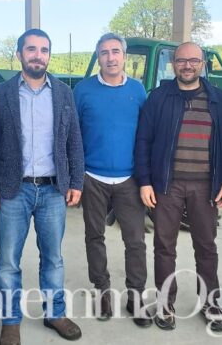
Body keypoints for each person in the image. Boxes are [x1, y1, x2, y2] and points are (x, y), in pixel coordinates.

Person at [0, 29, 84, 345]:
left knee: (53, 257)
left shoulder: (65, 93)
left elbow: (74, 140)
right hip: (14, 189)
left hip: (53, 190)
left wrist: (76, 180)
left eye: (44, 50)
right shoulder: (2, 93)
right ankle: (11, 321)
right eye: (31, 49)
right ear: (20, 54)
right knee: (9, 260)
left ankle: (55, 314)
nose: (38, 55)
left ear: (49, 55)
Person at [134, 42, 222, 332]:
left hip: (206, 186)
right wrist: (145, 181)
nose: (187, 65)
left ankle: (211, 303)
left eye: (193, 60)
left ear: (203, 64)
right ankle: (165, 303)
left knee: (206, 246)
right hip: (167, 184)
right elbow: (143, 141)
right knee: (164, 246)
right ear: (173, 64)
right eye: (181, 60)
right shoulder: (159, 98)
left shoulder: (219, 99)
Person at [73, 33, 152, 327]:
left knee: (135, 240)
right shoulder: (82, 91)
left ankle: (136, 296)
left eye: (115, 51)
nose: (110, 57)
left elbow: (145, 135)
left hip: (129, 179)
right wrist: (76, 175)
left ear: (124, 55)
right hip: (92, 178)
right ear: (98, 56)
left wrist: (146, 177)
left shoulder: (137, 90)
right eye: (104, 52)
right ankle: (102, 290)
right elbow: (73, 135)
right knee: (94, 236)